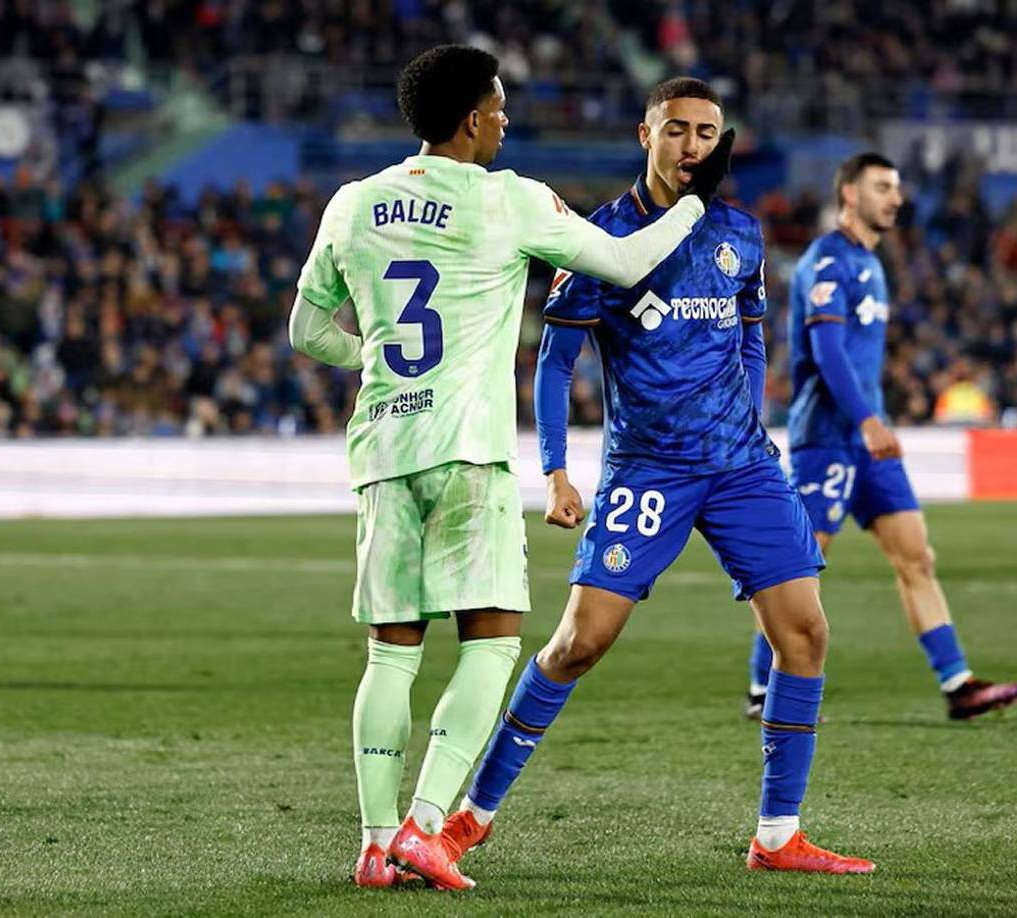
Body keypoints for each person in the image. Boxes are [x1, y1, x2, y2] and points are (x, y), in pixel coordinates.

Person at [289, 45, 731, 891]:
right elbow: (629, 261)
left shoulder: (353, 204)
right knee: (492, 644)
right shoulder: (508, 200)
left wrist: (377, 357)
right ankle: (424, 826)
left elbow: (308, 332)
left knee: (391, 653)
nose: (505, 120)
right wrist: (696, 202)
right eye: (497, 108)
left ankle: (374, 845)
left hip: (383, 448)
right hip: (466, 452)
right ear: (468, 119)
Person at [429, 77, 875, 882]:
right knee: (578, 644)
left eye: (707, 132)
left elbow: (747, 338)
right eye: (677, 130)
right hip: (649, 472)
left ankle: (778, 836)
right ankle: (470, 818)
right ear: (646, 135)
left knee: (804, 633)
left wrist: (749, 422)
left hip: (740, 466)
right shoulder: (596, 240)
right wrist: (560, 470)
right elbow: (556, 363)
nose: (692, 145)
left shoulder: (739, 232)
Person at [746, 153, 1017, 723]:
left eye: (897, 188)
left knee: (917, 557)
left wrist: (872, 424)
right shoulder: (826, 259)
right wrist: (869, 420)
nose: (895, 198)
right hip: (829, 437)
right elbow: (828, 352)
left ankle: (959, 685)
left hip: (867, 441)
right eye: (882, 187)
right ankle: (763, 689)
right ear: (849, 194)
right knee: (799, 565)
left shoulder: (872, 265)